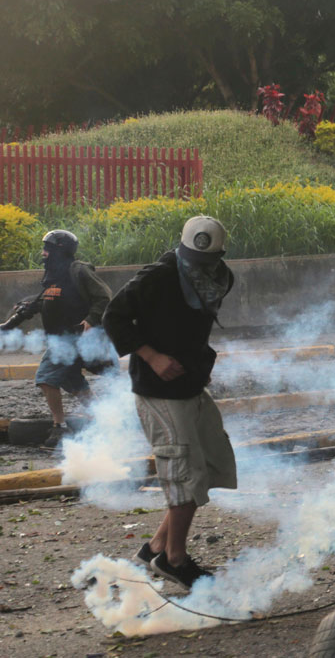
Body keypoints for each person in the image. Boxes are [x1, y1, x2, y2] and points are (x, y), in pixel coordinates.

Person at [103, 216, 236, 589]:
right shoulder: (157, 277)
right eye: (193, 257)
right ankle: (173, 559)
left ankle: (155, 548)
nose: (199, 266)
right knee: (183, 474)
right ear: (182, 248)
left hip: (191, 386)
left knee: (209, 464)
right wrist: (151, 355)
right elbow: (113, 317)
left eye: (207, 259)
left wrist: (198, 364)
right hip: (158, 389)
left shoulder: (220, 278)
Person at [1, 230, 114, 447]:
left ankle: (59, 427)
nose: (43, 254)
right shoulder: (53, 278)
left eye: (47, 249)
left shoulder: (78, 271)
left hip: (73, 340)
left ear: (59, 251)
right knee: (74, 383)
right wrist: (7, 326)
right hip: (60, 341)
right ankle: (105, 422)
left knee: (45, 378)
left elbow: (104, 296)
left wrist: (91, 319)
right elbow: (37, 305)